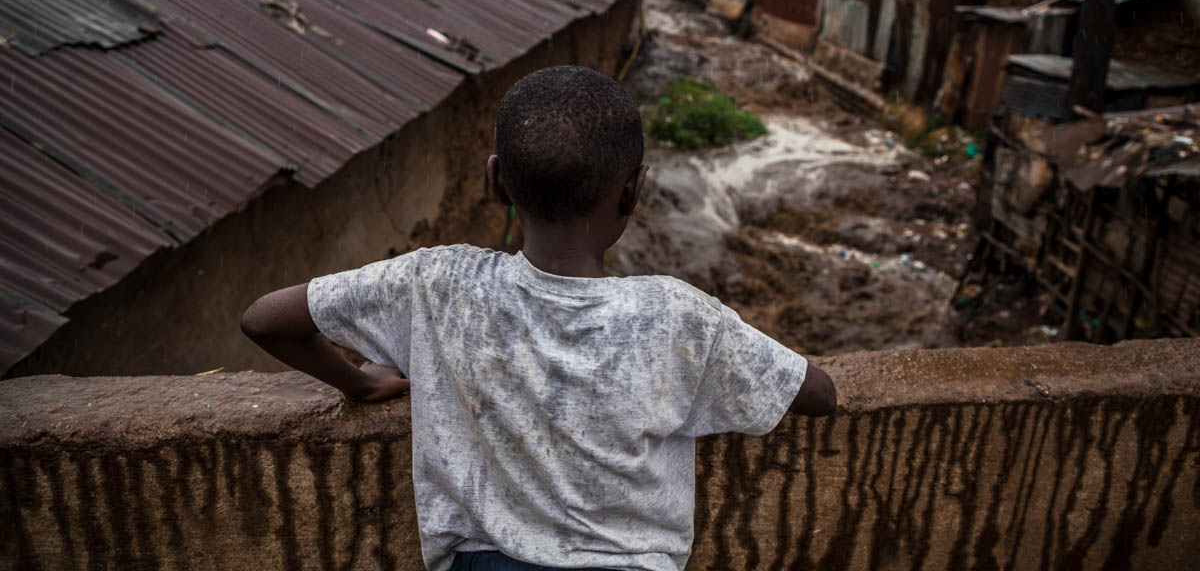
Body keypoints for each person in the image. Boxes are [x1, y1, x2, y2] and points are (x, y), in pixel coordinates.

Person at [241, 65, 837, 571]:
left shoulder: (436, 282)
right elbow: (818, 395)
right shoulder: (678, 314)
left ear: (497, 181)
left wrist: (361, 381)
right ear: (633, 192)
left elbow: (266, 319)